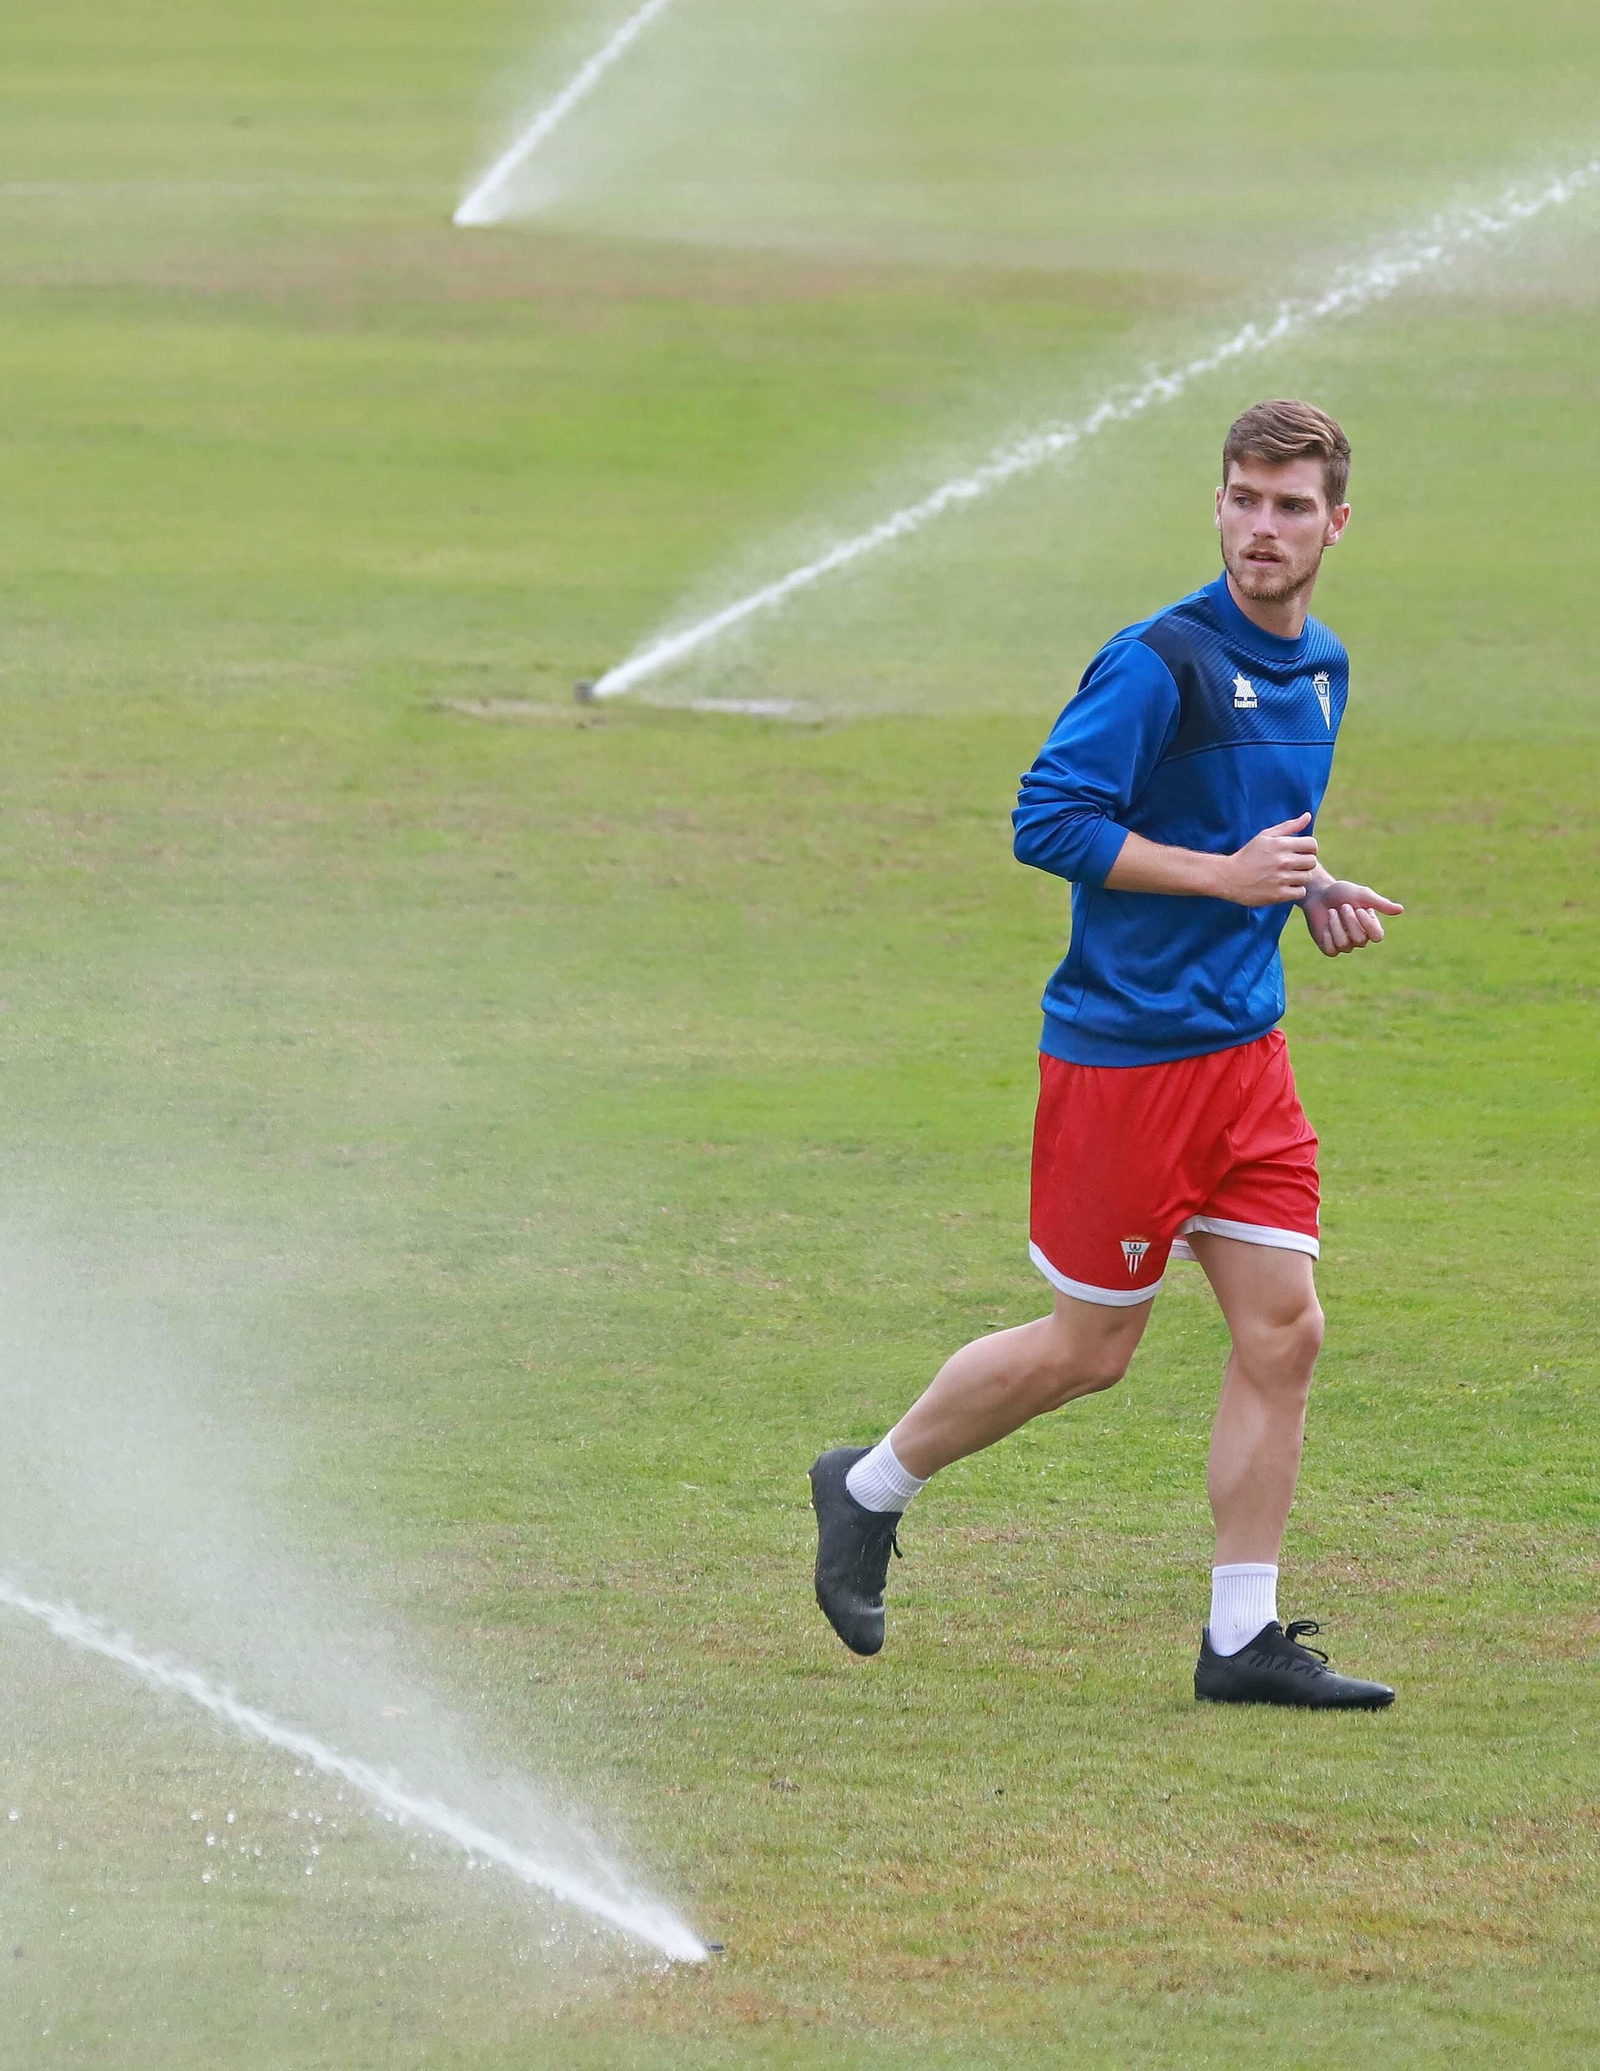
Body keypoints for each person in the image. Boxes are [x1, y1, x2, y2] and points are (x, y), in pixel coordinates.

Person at [810, 398, 1402, 1709]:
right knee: (1091, 1351)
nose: (1264, 527)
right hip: (1126, 1061)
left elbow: (1250, 821)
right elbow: (1048, 821)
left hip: (1246, 1056)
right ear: (1217, 507)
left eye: (1291, 506)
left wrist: (1306, 885)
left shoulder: (1323, 668)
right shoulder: (1156, 663)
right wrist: (1224, 877)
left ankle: (1241, 1637)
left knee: (1285, 1331)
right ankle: (869, 1487)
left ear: (1336, 525)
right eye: (1244, 499)